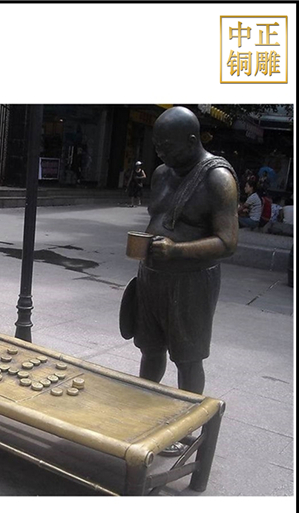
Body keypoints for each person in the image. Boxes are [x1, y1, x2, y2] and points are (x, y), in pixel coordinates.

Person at [120, 106, 239, 456]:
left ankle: (185, 426)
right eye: (157, 146)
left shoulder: (218, 178)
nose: (161, 153)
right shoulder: (161, 173)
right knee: (150, 348)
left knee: (187, 358)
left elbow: (228, 242)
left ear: (191, 140)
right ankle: (144, 414)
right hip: (152, 276)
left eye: (167, 146)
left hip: (191, 282)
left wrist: (178, 250)